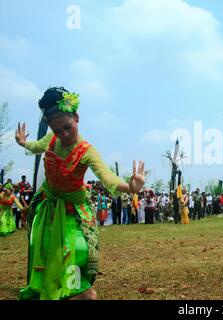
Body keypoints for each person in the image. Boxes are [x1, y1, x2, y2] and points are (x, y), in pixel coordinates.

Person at [15, 86, 145, 300]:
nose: (64, 135)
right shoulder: (51, 140)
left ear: (77, 117)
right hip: (48, 208)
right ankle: (47, 285)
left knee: (77, 249)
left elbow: (108, 178)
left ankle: (76, 288)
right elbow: (36, 146)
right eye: (58, 131)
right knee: (45, 248)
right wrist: (22, 142)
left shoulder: (87, 151)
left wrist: (131, 187)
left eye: (68, 127)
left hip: (72, 211)